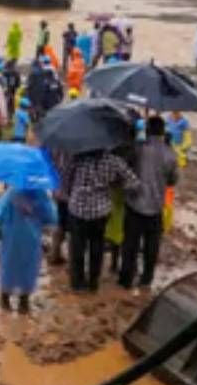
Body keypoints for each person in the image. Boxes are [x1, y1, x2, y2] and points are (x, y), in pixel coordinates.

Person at [64, 150, 140, 292]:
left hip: (77, 209)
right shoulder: (112, 160)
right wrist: (116, 185)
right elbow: (134, 182)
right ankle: (93, 282)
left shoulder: (77, 158)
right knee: (97, 247)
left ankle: (77, 283)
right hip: (100, 212)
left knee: (77, 248)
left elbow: (66, 180)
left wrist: (71, 194)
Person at [121, 117, 177, 289]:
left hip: (135, 203)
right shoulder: (170, 154)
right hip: (156, 207)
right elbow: (172, 181)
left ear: (147, 130)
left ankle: (126, 279)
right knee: (151, 248)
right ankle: (146, 279)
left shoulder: (138, 149)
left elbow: (125, 167)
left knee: (130, 245)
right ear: (162, 131)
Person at [0, 187, 58, 313]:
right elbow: (51, 217)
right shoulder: (40, 194)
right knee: (28, 268)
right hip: (31, 239)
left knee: (8, 266)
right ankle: (24, 302)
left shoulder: (11, 193)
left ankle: (4, 299)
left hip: (11, 237)